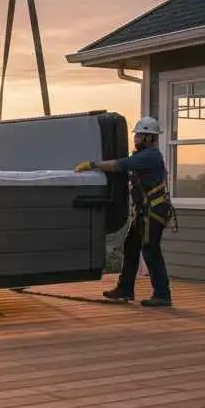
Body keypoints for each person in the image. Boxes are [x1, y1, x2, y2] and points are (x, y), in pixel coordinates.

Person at [75, 115, 174, 307]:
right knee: (131, 247)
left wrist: (93, 165)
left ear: (147, 137)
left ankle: (162, 294)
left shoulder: (149, 156)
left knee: (151, 251)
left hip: (152, 211)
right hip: (147, 211)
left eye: (138, 135)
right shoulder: (144, 156)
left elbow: (119, 166)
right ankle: (125, 288)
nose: (135, 138)